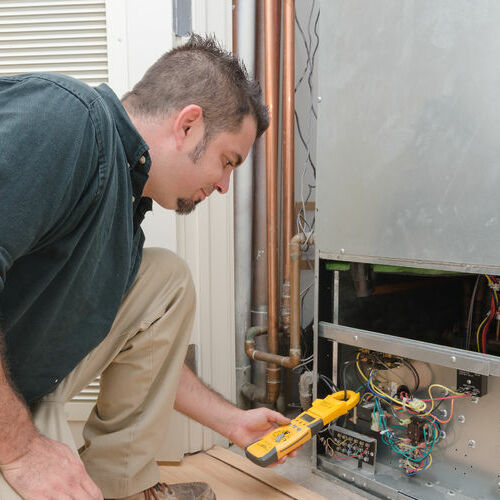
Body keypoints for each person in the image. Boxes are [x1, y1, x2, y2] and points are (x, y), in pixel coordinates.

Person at [0, 35, 296, 500]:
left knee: (165, 282)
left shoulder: (122, 206)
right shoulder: (68, 122)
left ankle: (120, 488)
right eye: (227, 162)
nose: (223, 186)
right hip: (9, 411)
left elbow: (149, 351)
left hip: (18, 379)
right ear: (188, 125)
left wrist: (232, 421)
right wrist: (20, 450)